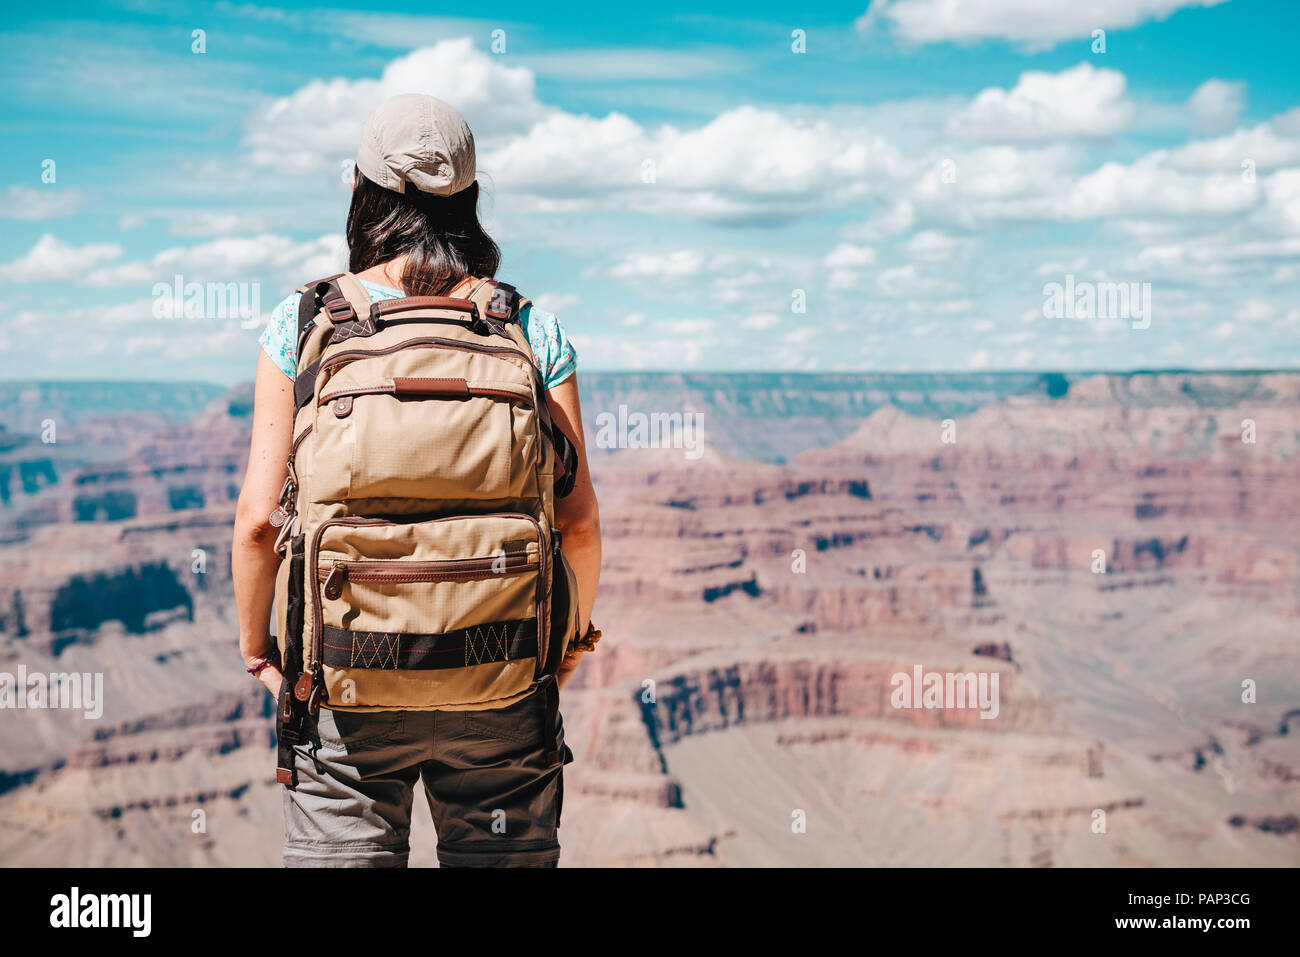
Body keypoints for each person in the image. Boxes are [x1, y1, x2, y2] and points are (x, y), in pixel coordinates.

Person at [231, 94, 601, 867]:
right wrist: (565, 646)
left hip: (344, 687)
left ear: (363, 192)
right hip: (503, 681)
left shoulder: (304, 322)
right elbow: (581, 521)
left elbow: (261, 522)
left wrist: (260, 652)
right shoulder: (528, 327)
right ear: (470, 199)